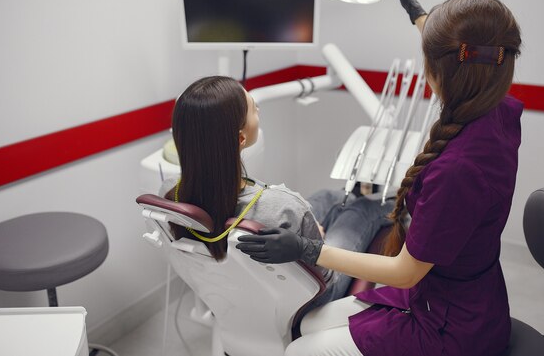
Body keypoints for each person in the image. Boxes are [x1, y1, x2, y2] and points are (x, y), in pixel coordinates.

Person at [237, 0, 523, 356]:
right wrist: (413, 8)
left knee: (298, 350)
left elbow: (404, 272)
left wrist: (306, 248)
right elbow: (461, 55)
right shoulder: (499, 107)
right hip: (450, 295)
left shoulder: (458, 170)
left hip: (449, 326)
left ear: (440, 71)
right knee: (306, 324)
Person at [159, 75, 394, 314]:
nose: (258, 108)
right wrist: (312, 240)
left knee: (326, 197)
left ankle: (344, 205)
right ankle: (384, 206)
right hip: (313, 296)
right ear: (241, 138)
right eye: (253, 108)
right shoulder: (283, 205)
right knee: (362, 209)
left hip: (241, 292)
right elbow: (324, 274)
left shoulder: (170, 194)